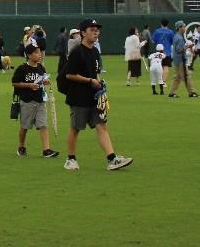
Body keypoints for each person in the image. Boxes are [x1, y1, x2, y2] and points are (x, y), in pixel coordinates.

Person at [63, 19, 132, 171]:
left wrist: (100, 86)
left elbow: (96, 73)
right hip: (79, 97)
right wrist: (90, 81)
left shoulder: (95, 51)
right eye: (92, 29)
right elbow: (69, 75)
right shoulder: (76, 52)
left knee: (101, 125)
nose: (96, 32)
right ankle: (70, 159)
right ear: (83, 33)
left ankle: (112, 159)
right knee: (76, 128)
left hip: (94, 96)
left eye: (97, 29)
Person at [12, 44, 59, 158]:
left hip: (40, 100)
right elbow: (14, 83)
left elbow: (43, 79)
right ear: (29, 55)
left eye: (39, 52)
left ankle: (46, 150)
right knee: (25, 127)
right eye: (36, 52)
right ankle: (21, 146)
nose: (39, 55)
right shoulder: (22, 68)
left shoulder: (41, 67)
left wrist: (45, 82)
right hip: (27, 101)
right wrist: (29, 85)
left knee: (43, 125)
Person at [168, 21, 200, 99]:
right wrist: (189, 46)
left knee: (177, 78)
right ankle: (191, 93)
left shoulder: (177, 36)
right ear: (179, 27)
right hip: (180, 60)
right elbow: (179, 50)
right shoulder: (179, 38)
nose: (185, 28)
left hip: (177, 60)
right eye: (184, 26)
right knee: (186, 76)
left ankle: (172, 93)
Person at [152, 20, 175, 84]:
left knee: (159, 67)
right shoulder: (170, 32)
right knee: (166, 67)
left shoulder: (157, 31)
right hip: (167, 52)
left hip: (158, 52)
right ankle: (163, 82)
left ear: (161, 24)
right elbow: (173, 42)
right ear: (168, 24)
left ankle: (159, 81)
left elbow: (153, 41)